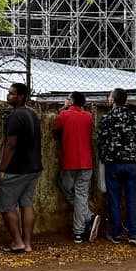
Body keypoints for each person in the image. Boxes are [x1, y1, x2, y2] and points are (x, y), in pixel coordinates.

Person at [0, 82, 42, 253]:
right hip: (34, 167)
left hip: (17, 168)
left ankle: (17, 242)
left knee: (7, 205)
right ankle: (28, 243)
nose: (8, 96)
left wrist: (2, 169)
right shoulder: (32, 113)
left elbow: (10, 145)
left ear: (21, 96)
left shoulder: (15, 117)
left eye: (12, 93)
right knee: (27, 203)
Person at [52, 91, 101, 243]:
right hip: (86, 162)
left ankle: (83, 225)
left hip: (69, 162)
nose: (65, 100)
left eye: (67, 98)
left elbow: (55, 130)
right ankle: (83, 224)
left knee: (66, 188)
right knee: (81, 195)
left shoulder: (64, 115)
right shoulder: (88, 116)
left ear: (71, 102)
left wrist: (63, 109)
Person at [97, 87, 136, 245]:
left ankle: (115, 233)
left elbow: (100, 139)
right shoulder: (134, 117)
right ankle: (133, 234)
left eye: (110, 97)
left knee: (114, 199)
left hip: (113, 163)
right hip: (131, 163)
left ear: (113, 100)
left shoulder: (106, 118)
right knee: (131, 200)